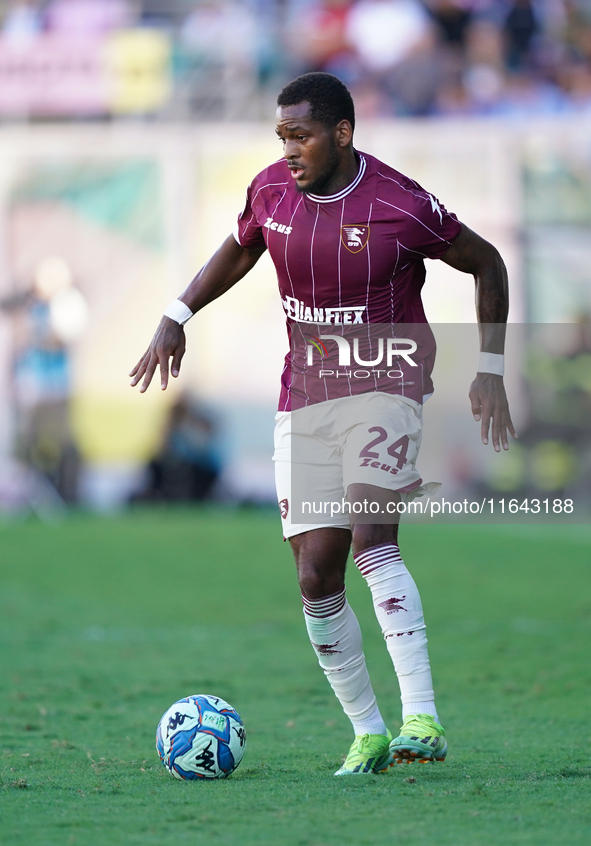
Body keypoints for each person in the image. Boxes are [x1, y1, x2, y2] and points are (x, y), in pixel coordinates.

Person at [130, 72, 516, 776]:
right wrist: (177, 314)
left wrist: (488, 366)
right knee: (315, 575)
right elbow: (243, 245)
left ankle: (420, 716)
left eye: (300, 135)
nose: (288, 150)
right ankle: (368, 732)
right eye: (280, 136)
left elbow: (485, 262)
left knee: (371, 535)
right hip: (304, 391)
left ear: (342, 134)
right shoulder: (271, 190)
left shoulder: (400, 205)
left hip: (386, 380)